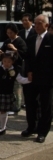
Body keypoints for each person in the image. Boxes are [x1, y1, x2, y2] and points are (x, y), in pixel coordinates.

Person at [22, 14, 53, 143]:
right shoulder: (31, 38)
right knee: (30, 103)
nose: (37, 25)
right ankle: (31, 127)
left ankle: (42, 132)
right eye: (35, 23)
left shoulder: (51, 39)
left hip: (46, 79)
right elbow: (27, 56)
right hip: (32, 77)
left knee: (46, 106)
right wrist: (28, 71)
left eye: (40, 23)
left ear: (46, 25)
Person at [0, 53, 31, 135]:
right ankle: (2, 126)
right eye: (4, 61)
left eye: (9, 62)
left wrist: (29, 80)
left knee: (3, 111)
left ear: (12, 62)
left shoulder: (14, 71)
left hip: (7, 94)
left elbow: (21, 79)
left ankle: (3, 127)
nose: (6, 63)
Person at [0, 22, 27, 113]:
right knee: (9, 87)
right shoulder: (7, 41)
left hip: (16, 67)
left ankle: (17, 106)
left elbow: (24, 54)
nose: (9, 35)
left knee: (17, 87)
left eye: (11, 33)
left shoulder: (20, 41)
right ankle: (9, 105)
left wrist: (15, 49)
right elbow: (1, 49)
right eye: (8, 33)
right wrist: (0, 52)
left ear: (15, 32)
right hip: (7, 67)